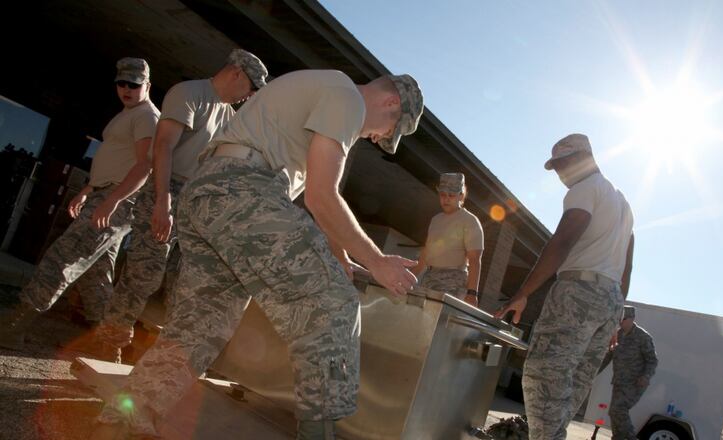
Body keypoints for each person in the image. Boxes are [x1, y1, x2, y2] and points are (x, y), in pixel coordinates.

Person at [89, 70, 424, 440]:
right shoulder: (346, 97)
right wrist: (377, 261)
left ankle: (124, 422)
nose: (376, 137)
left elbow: (310, 200)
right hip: (244, 189)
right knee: (334, 303)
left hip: (212, 194)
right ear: (391, 104)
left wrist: (337, 252)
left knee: (202, 324)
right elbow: (321, 195)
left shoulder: (323, 89)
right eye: (387, 132)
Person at [89, 49, 267, 361]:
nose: (250, 95)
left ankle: (154, 360)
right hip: (165, 187)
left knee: (182, 285)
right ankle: (108, 345)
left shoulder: (229, 116)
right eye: (251, 88)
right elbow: (163, 147)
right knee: (143, 275)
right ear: (237, 74)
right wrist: (162, 201)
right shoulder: (190, 93)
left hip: (194, 201)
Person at [0, 58, 160, 350]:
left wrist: (111, 201)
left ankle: (13, 326)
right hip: (106, 195)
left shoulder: (147, 117)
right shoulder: (127, 114)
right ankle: (108, 346)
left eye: (134, 85)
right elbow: (115, 160)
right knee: (96, 277)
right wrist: (87, 189)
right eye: (121, 83)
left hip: (118, 201)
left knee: (64, 257)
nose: (126, 89)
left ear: (147, 85)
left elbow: (144, 166)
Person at [495, 133, 635, 440]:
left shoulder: (585, 189)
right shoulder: (621, 202)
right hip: (610, 299)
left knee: (542, 375)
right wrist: (615, 316)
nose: (560, 173)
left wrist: (522, 294)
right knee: (571, 383)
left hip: (579, 293)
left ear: (585, 159)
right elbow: (627, 263)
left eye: (564, 164)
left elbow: (562, 241)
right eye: (556, 167)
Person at [412, 172, 484, 306]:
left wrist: (472, 293)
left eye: (451, 195)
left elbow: (474, 260)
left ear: (461, 196)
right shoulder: (436, 220)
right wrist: (410, 278)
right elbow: (426, 253)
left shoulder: (469, 221)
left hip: (453, 284)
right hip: (429, 279)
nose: (446, 199)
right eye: (442, 195)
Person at [609, 305, 658, 440]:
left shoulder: (643, 337)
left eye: (623, 319)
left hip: (635, 382)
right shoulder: (617, 335)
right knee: (614, 412)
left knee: (619, 410)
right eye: (620, 319)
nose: (621, 322)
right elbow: (608, 355)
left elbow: (652, 360)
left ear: (632, 319)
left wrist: (645, 376)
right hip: (619, 381)